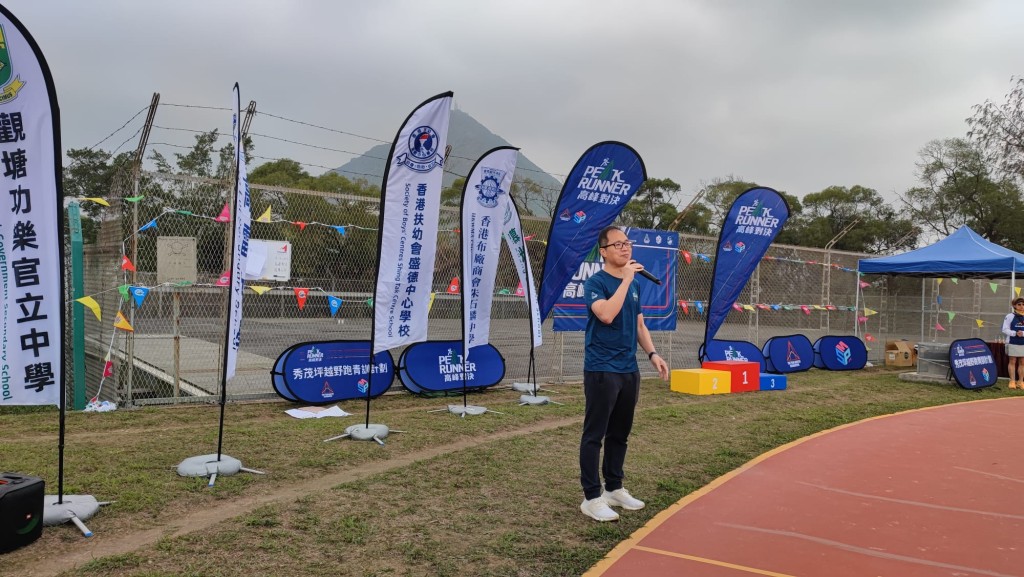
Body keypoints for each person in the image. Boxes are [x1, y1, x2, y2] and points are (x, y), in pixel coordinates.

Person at [579, 225, 670, 522]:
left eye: (627, 243)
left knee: (620, 434)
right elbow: (606, 314)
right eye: (618, 244)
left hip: (628, 368)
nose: (625, 248)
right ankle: (592, 497)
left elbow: (640, 324)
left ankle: (614, 488)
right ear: (603, 252)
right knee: (595, 435)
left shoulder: (633, 285)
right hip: (601, 369)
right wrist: (627, 278)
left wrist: (652, 353)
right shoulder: (596, 282)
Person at [1001, 297, 1024, 390]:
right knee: (1012, 361)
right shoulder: (1009, 316)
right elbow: (1004, 329)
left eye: (1023, 304)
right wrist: (1014, 333)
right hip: (1012, 342)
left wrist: (1022, 333)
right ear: (1014, 306)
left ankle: (1021, 381)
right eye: (1019, 304)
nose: (1022, 306)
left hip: (1023, 342)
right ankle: (1012, 381)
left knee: (1022, 362)